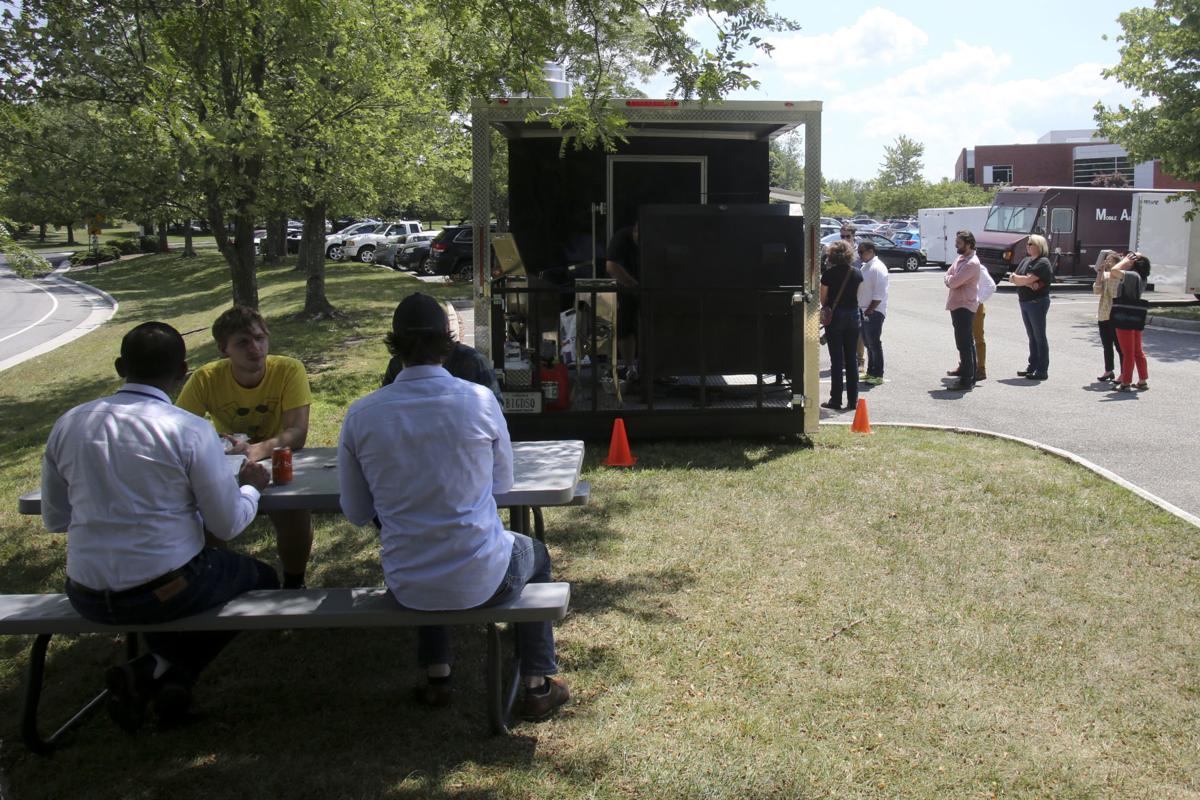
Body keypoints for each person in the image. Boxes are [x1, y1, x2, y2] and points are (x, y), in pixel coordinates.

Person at [338, 293, 569, 720]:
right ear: (448, 342)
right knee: (535, 555)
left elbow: (354, 511)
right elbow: (502, 485)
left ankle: (439, 675)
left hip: (406, 582)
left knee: (426, 542)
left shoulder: (361, 415)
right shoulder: (479, 400)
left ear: (394, 344)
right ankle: (537, 683)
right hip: (481, 576)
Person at [42, 322, 278, 732]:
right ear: (184, 371)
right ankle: (163, 667)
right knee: (263, 578)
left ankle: (161, 675)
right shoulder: (188, 429)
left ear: (120, 367)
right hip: (163, 590)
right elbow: (227, 522)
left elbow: (56, 519)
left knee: (178, 582)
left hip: (86, 593)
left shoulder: (69, 423)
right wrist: (251, 489)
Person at [177, 306, 314, 589]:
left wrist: (254, 451)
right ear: (223, 349)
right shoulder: (205, 378)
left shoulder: (288, 369)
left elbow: (297, 433)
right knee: (210, 519)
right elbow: (178, 431)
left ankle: (294, 583)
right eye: (243, 342)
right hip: (225, 463)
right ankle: (220, 580)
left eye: (260, 338)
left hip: (278, 459)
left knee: (294, 512)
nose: (255, 348)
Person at [382, 299, 501, 400]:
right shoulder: (475, 362)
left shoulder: (395, 367)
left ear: (396, 341)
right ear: (446, 331)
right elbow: (496, 410)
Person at [819, 240, 864, 411]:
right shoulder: (857, 273)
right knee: (851, 359)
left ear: (831, 256)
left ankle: (835, 399)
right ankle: (853, 401)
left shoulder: (828, 275)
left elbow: (823, 300)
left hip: (836, 317)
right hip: (853, 315)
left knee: (836, 360)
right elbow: (859, 296)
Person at [1009, 234, 1055, 381]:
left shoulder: (1043, 262)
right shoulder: (1025, 260)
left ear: (1039, 246)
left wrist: (1023, 281)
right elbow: (1012, 277)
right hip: (1024, 301)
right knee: (1031, 336)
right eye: (1028, 244)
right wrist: (1026, 282)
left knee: (1039, 336)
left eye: (1030, 244)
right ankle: (1032, 366)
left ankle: (1042, 370)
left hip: (1037, 302)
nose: (1027, 246)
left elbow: (1028, 279)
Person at [943, 230, 982, 391]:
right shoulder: (961, 258)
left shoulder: (972, 263)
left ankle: (967, 380)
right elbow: (948, 274)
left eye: (959, 243)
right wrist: (950, 278)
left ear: (968, 244)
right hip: (957, 304)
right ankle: (969, 374)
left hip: (964, 306)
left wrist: (950, 279)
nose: (956, 245)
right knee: (965, 343)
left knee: (964, 343)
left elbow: (953, 281)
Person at [1111, 252, 1151, 392]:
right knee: (1137, 351)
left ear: (1135, 262)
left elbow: (1114, 271)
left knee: (1128, 352)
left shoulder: (1132, 275)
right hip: (1136, 315)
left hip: (1125, 315)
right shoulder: (1141, 276)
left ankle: (1126, 382)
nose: (1127, 257)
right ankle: (1142, 380)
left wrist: (1125, 261)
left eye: (1132, 256)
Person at [605, 222, 640, 371]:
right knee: (625, 327)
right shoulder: (621, 238)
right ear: (635, 232)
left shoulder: (653, 239)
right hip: (624, 286)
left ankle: (647, 366)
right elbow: (611, 267)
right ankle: (629, 365)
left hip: (645, 285)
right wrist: (633, 284)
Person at [856, 240, 889, 386]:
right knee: (868, 344)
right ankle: (870, 371)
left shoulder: (877, 267)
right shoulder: (866, 266)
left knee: (874, 343)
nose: (859, 254)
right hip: (864, 310)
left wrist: (870, 310)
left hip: (873, 311)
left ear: (871, 251)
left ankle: (878, 374)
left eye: (861, 251)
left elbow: (880, 293)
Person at [1093, 250, 1124, 382]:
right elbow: (1097, 290)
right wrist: (1100, 272)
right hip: (1103, 314)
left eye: (1110, 260)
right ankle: (1108, 370)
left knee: (1119, 346)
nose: (1107, 262)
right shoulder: (1105, 275)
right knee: (1107, 345)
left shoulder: (1121, 277)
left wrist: (1111, 274)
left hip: (1116, 315)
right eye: (1107, 260)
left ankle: (1124, 372)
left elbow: (1115, 293)